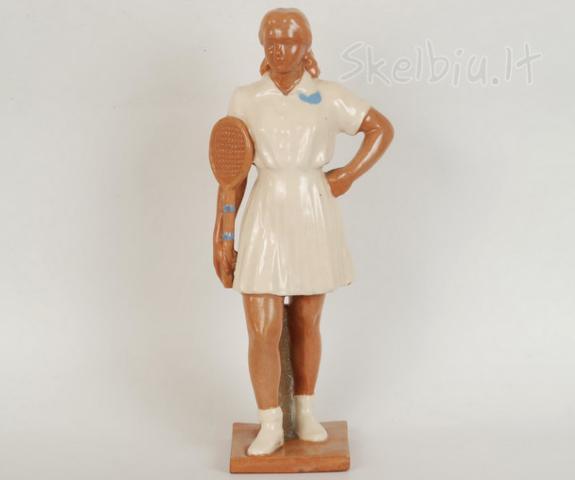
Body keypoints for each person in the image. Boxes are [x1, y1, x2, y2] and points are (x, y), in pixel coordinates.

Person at [212, 8, 394, 456]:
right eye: (271, 40)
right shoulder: (246, 98)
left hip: (313, 211)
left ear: (306, 45)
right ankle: (270, 421)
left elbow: (379, 128)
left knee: (306, 319)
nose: (280, 49)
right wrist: (224, 233)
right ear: (261, 45)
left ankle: (305, 409)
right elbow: (232, 171)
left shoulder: (327, 95)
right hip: (266, 212)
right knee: (262, 326)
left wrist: (347, 174)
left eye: (290, 40)